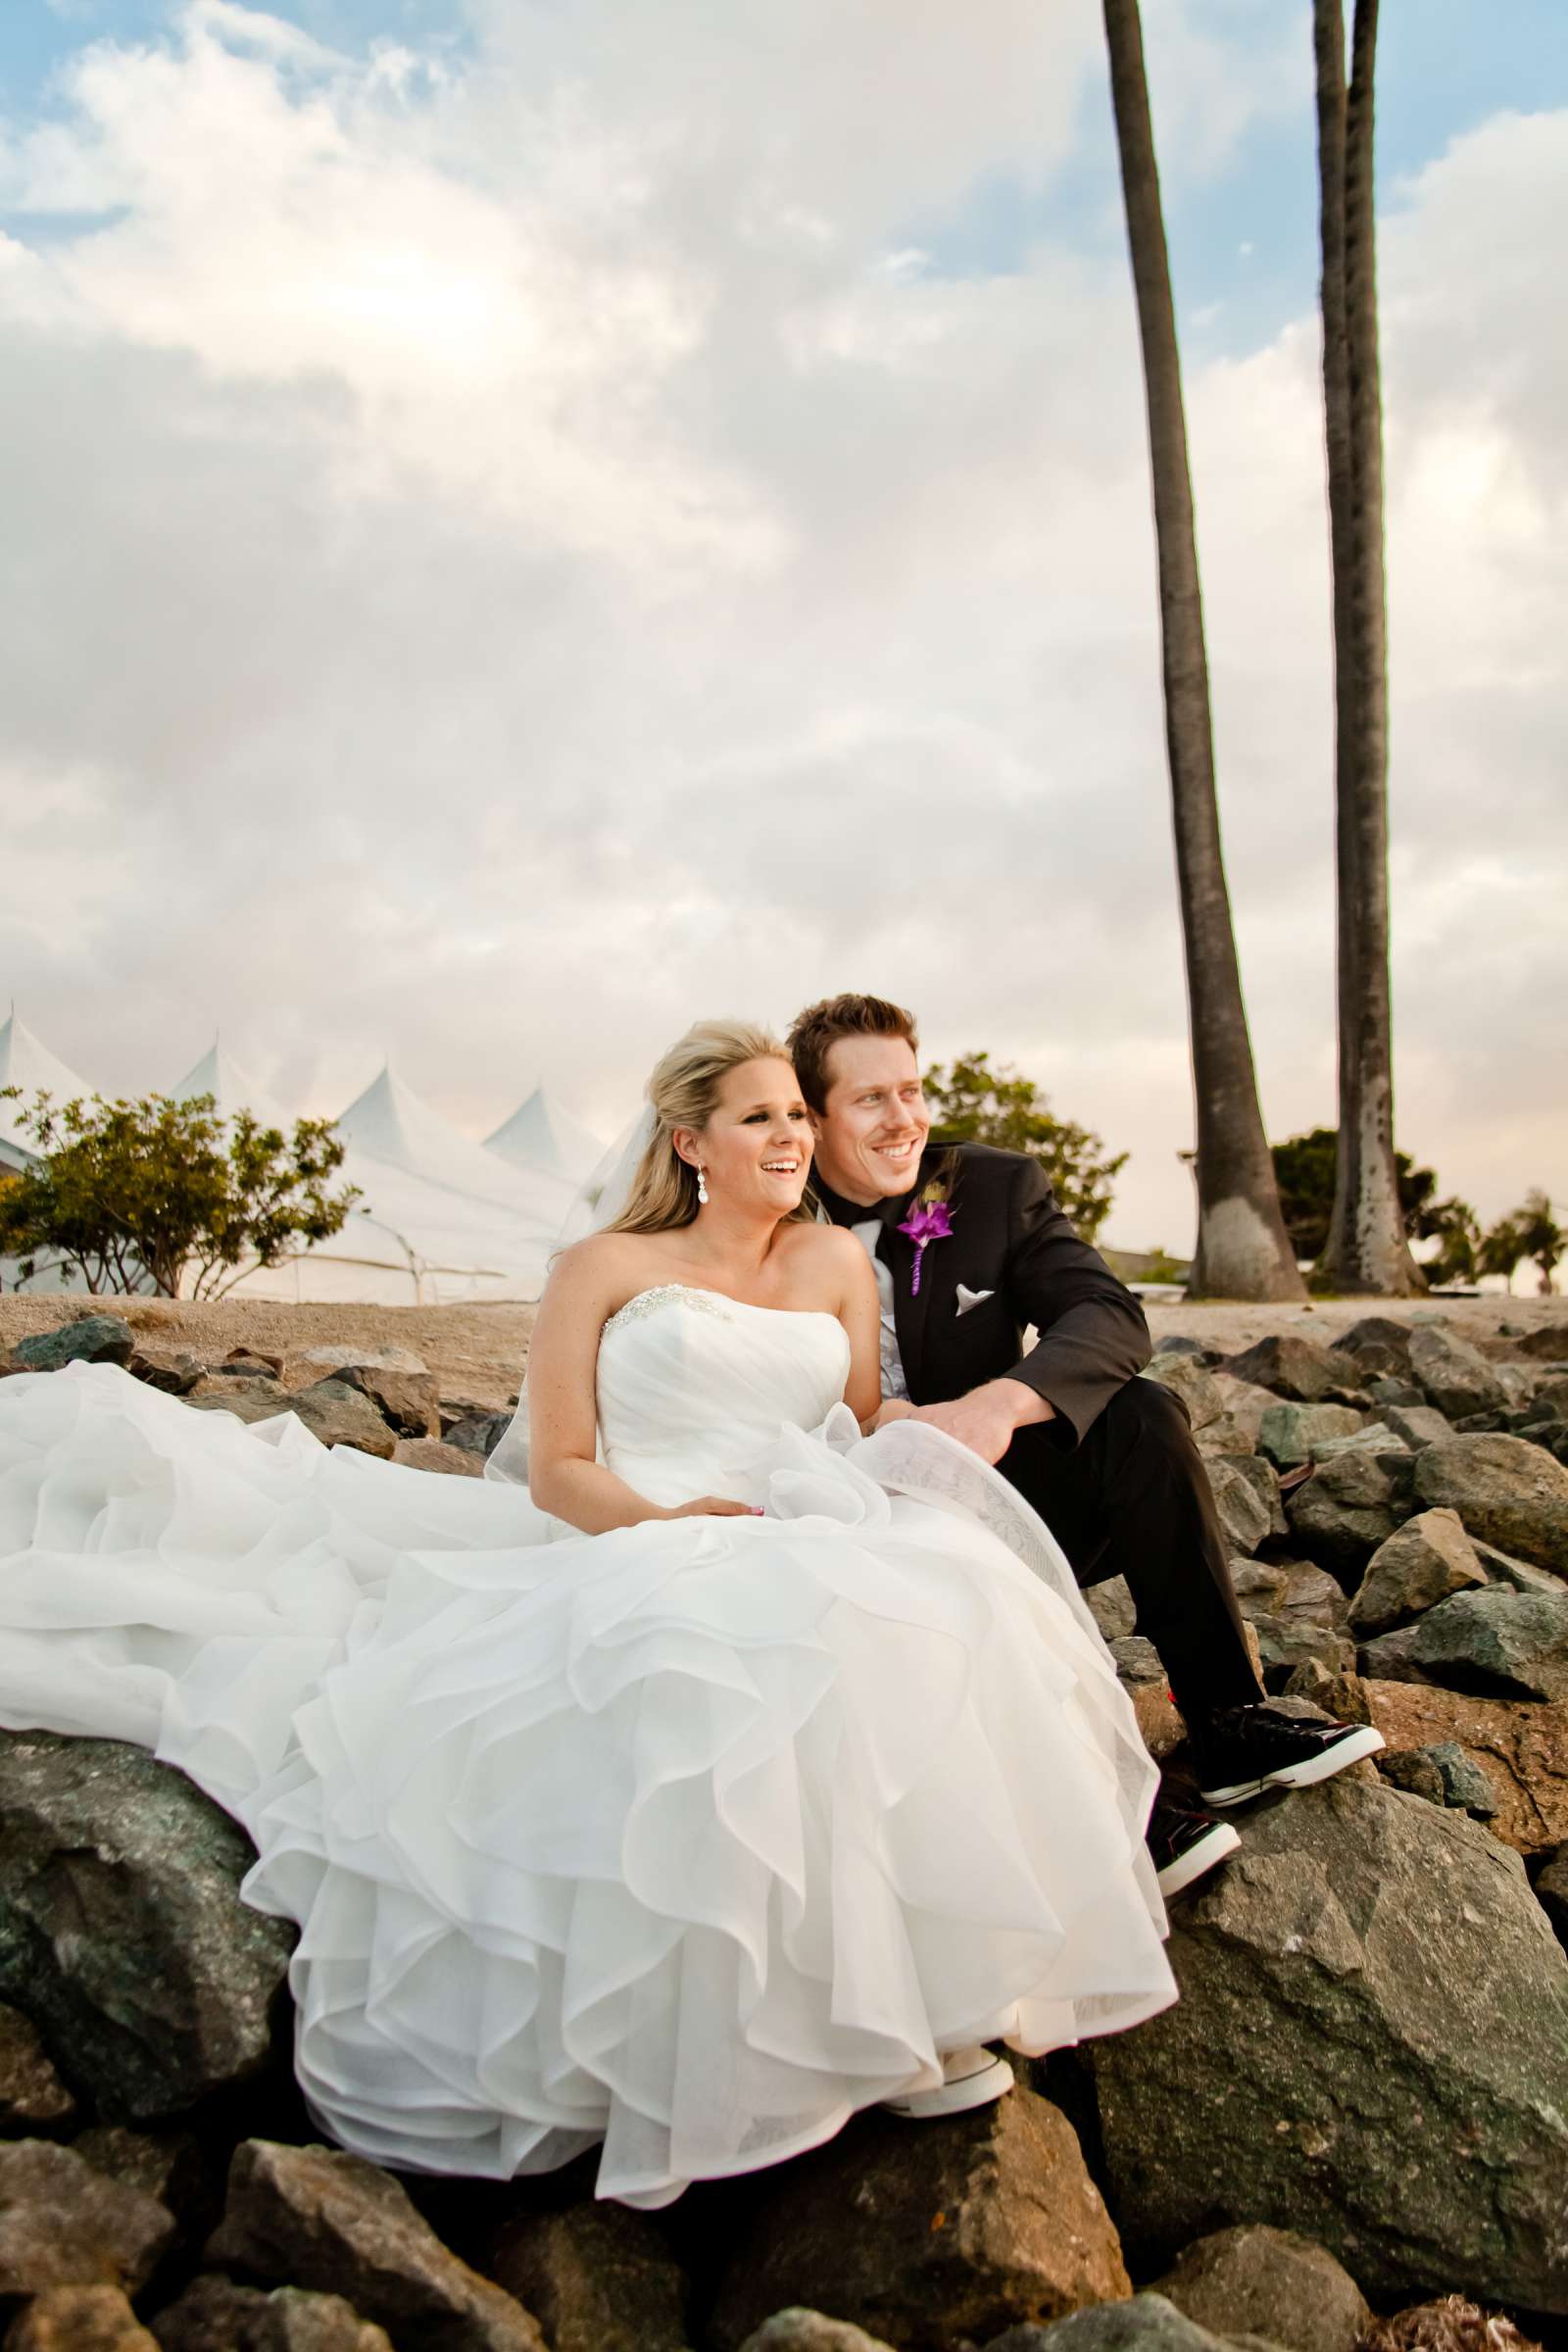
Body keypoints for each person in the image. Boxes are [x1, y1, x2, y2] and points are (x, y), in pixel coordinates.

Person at [0, 1019, 1174, 2210]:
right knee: (696, 1676)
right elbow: (559, 1468)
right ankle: (758, 2031)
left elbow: (852, 1427)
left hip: (794, 1517)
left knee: (925, 1620)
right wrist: (677, 1528)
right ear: (691, 1141)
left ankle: (925, 1995)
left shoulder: (832, 1267)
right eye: (760, 1116)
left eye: (797, 1117)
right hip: (637, 1525)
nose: (792, 1136)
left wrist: (936, 1460)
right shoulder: (603, 1267)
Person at [787, 994, 1384, 1897]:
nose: (905, 1118)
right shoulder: (769, 1214)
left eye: (912, 1090)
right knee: (935, 1580)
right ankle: (1106, 1811)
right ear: (813, 1114)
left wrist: (1000, 1402)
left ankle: (1225, 1720)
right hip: (839, 1518)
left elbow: (1107, 1314)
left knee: (1141, 1416)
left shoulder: (988, 1188)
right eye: (871, 1100)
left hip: (990, 1483)